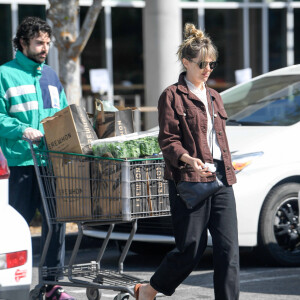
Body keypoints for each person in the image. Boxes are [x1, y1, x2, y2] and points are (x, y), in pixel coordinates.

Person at [134, 23, 240, 300]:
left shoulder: (215, 97)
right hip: (189, 179)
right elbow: (168, 139)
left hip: (220, 178)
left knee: (229, 251)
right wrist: (188, 159)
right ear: (186, 62)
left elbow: (217, 138)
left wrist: (227, 163)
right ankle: (149, 290)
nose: (208, 69)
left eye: (212, 64)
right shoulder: (171, 95)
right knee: (191, 248)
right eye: (202, 63)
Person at [0, 16, 75, 300]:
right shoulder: (4, 74)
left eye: (47, 43)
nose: (45, 48)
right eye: (39, 43)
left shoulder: (51, 76)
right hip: (18, 164)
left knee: (55, 224)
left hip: (50, 162)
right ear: (22, 43)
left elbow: (63, 114)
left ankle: (51, 285)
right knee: (14, 227)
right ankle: (7, 283)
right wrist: (22, 130)